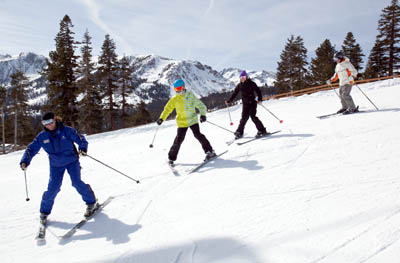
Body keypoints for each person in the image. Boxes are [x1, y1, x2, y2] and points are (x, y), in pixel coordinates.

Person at [19, 112, 98, 224]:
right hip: (56, 165)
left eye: (50, 122)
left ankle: (91, 202)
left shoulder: (67, 130)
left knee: (76, 182)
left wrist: (83, 148)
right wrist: (25, 161)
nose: (49, 125)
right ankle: (44, 212)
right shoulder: (42, 136)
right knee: (53, 188)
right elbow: (31, 149)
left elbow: (80, 139)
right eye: (45, 123)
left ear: (55, 120)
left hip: (72, 161)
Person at [157, 79, 216, 165]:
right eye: (176, 89)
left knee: (198, 135)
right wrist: (161, 118)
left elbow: (201, 105)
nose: (178, 90)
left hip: (192, 120)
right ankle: (171, 158)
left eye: (180, 88)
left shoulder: (190, 96)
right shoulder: (174, 99)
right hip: (182, 123)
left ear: (183, 87)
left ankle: (210, 151)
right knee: (178, 140)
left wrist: (203, 115)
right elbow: (167, 109)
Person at [225, 70, 267, 139]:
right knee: (243, 118)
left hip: (252, 103)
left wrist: (260, 99)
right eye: (241, 77)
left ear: (246, 77)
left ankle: (262, 130)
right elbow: (235, 93)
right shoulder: (239, 85)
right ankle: (239, 132)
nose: (242, 78)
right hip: (245, 104)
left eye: (244, 77)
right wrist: (229, 101)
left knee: (253, 117)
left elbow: (258, 91)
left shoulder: (251, 83)